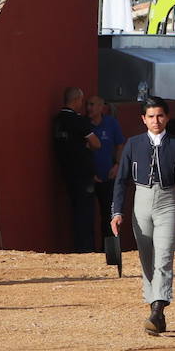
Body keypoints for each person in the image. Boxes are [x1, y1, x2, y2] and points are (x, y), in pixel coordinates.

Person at [111, 97, 175, 335]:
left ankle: (158, 307)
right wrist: (116, 212)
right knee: (146, 255)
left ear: (167, 118)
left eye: (160, 116)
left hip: (169, 200)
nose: (156, 120)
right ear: (143, 119)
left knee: (164, 254)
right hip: (141, 199)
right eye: (151, 116)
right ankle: (155, 309)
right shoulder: (133, 144)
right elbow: (121, 181)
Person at [53, 86, 100, 253]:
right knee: (85, 213)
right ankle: (86, 249)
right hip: (83, 173)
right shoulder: (79, 121)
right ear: (76, 100)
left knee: (75, 211)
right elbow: (96, 143)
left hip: (66, 171)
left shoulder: (57, 120)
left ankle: (79, 247)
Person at [86, 95, 125, 249]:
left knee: (109, 216)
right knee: (87, 216)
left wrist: (117, 165)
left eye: (92, 104)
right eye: (87, 104)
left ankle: (109, 251)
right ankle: (88, 253)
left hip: (108, 176)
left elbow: (120, 144)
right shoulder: (84, 123)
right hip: (89, 178)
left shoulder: (111, 123)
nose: (89, 108)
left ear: (101, 107)